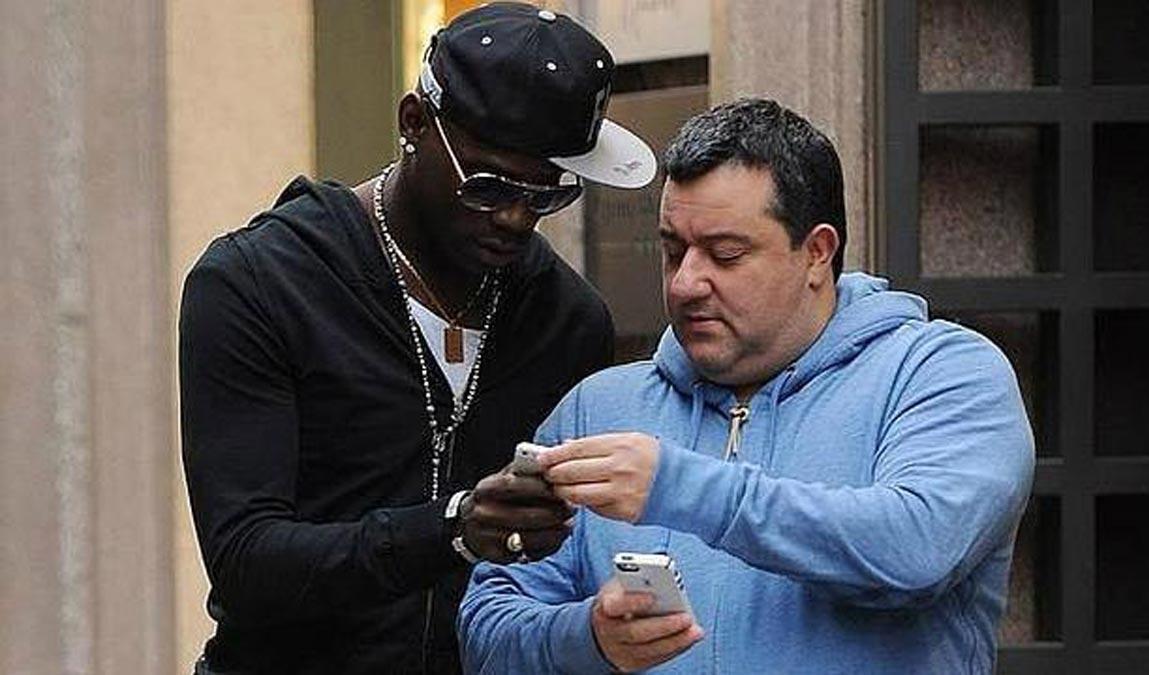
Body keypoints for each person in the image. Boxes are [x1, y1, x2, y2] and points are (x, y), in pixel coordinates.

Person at [458, 98, 1036, 674]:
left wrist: (679, 487)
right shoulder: (601, 406)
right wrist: (586, 638)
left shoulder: (940, 374)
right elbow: (488, 627)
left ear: (816, 253)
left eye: (725, 254)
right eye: (672, 251)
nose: (686, 284)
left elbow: (917, 548)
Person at [179, 4, 657, 673]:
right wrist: (452, 528)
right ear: (413, 123)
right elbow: (247, 560)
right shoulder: (259, 282)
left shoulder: (566, 320)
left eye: (547, 195)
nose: (517, 217)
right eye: (489, 185)